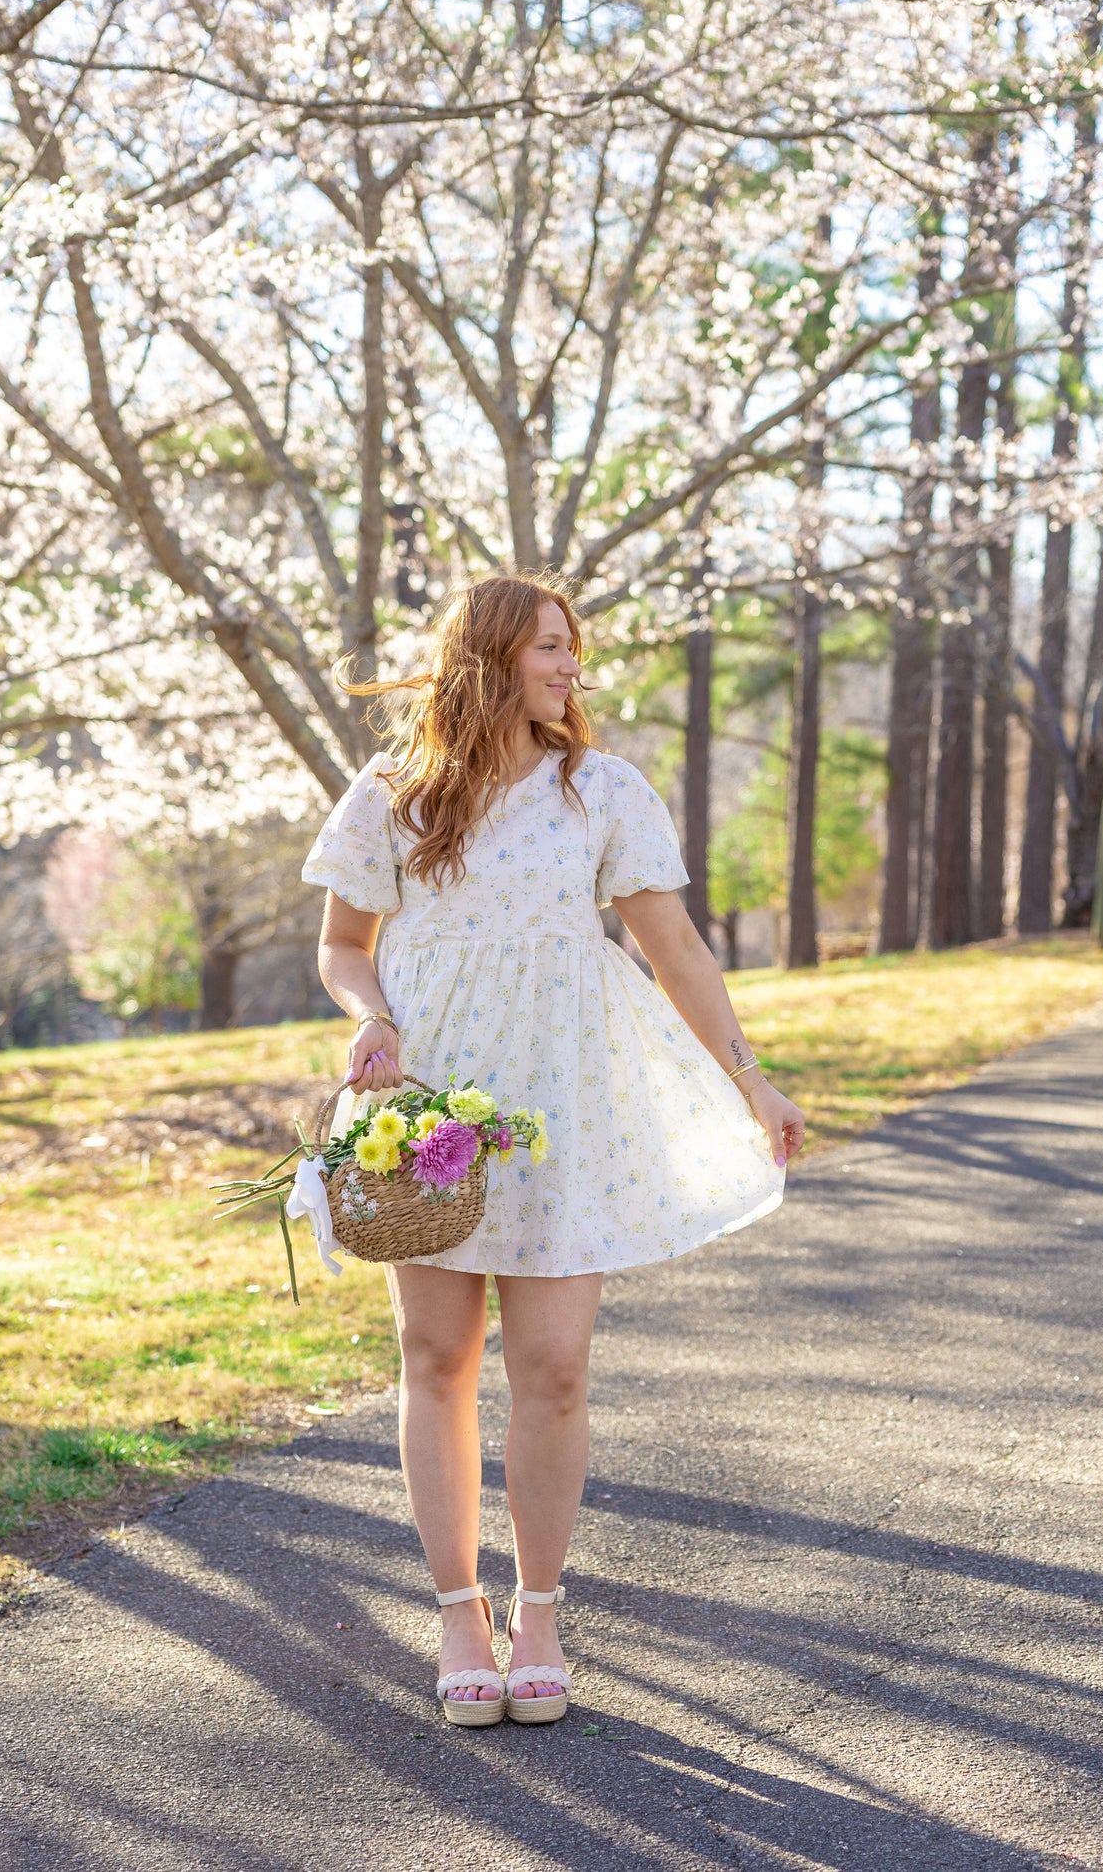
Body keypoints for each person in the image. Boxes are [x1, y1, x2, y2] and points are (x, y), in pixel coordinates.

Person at [303, 572, 807, 1726]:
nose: (570, 668)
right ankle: (455, 1613)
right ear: (489, 657)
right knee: (437, 1359)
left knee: (557, 1367)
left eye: (572, 650)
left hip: (562, 1104)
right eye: (548, 648)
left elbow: (674, 948)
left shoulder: (601, 790)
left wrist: (749, 1078)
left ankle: (538, 1609)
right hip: (428, 1110)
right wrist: (369, 1017)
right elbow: (341, 944)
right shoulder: (393, 794)